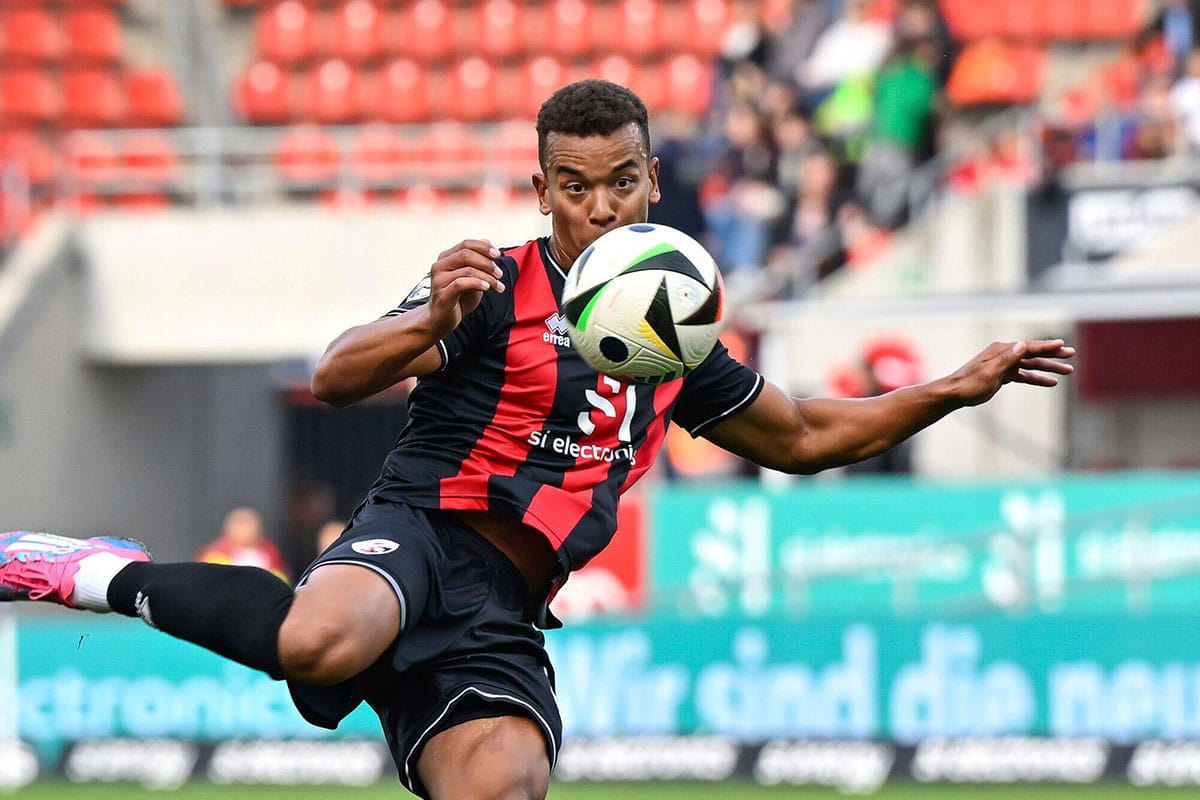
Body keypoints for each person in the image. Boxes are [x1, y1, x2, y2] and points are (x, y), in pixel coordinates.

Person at [0, 80, 1074, 800]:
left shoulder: (679, 324)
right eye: (574, 186)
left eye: (620, 182)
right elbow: (333, 376)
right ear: (543, 190)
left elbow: (797, 433)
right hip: (418, 531)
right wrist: (426, 318)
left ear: (652, 180)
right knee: (317, 643)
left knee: (507, 786)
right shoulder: (490, 281)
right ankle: (89, 571)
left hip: (505, 608)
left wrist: (950, 389)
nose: (599, 207)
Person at [196, 505, 290, 583]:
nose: (248, 530)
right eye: (242, 524)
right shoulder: (216, 553)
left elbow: (280, 576)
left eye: (250, 524)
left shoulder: (268, 551)